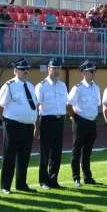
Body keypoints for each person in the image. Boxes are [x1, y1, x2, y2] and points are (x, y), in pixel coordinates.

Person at [0, 58, 38, 194]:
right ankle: (5, 186)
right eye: (22, 69)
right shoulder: (9, 85)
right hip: (13, 125)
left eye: (27, 69)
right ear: (15, 71)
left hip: (28, 126)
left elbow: (35, 107)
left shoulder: (30, 86)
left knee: (24, 156)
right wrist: (6, 120)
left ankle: (21, 184)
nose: (26, 71)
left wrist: (35, 124)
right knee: (9, 156)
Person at [35, 57, 68, 190]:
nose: (56, 71)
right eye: (54, 68)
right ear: (48, 69)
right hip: (46, 121)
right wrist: (36, 126)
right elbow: (36, 107)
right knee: (45, 152)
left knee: (57, 152)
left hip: (59, 120)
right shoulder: (41, 86)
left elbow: (65, 103)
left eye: (58, 68)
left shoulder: (62, 85)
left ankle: (53, 180)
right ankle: (43, 180)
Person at [67, 60, 101, 187]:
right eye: (91, 71)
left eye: (94, 71)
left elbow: (97, 104)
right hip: (80, 121)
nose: (93, 73)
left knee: (87, 151)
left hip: (92, 122)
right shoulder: (78, 88)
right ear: (85, 73)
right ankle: (76, 177)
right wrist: (75, 117)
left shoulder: (96, 87)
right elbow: (69, 104)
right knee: (77, 151)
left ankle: (88, 176)